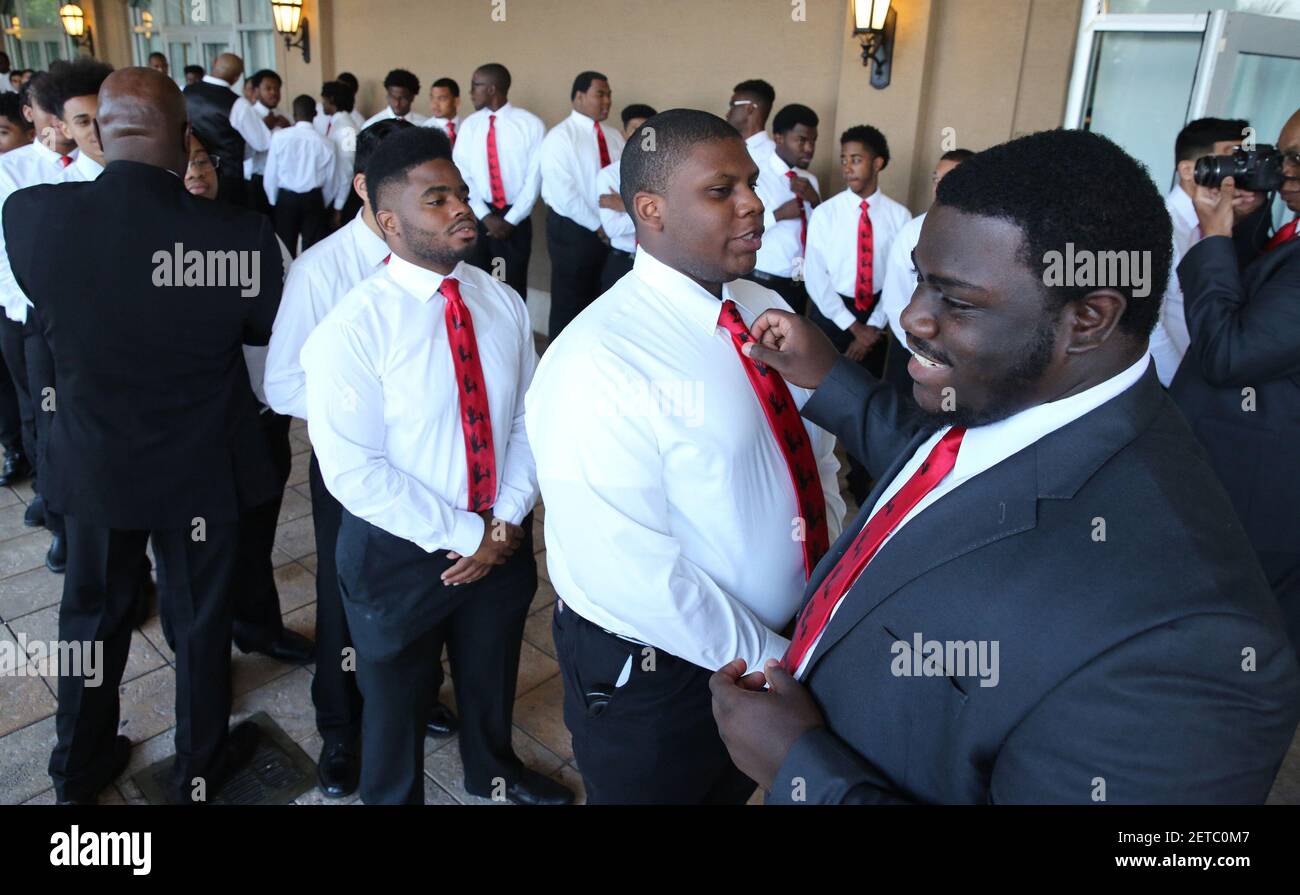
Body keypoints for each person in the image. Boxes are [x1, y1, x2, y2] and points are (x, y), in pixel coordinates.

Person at [708, 128, 1300, 805]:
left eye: (955, 299)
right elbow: (939, 467)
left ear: (1088, 319)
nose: (911, 318)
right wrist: (830, 378)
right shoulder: (1019, 390)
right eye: (921, 282)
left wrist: (805, 770)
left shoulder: (1191, 650)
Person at [526, 109, 845, 804]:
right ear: (651, 210)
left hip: (787, 643)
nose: (753, 202)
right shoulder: (599, 360)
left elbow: (814, 454)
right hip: (662, 675)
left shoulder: (762, 304)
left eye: (752, 183)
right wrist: (770, 657)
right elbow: (630, 568)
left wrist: (825, 585)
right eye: (721, 189)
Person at [5, 67, 284, 805]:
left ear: (97, 131)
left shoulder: (33, 217)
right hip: (199, 466)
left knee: (91, 617)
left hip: (94, 464)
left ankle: (78, 765)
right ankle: (199, 759)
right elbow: (259, 329)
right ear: (185, 138)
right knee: (198, 618)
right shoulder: (239, 236)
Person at [301, 127, 571, 806]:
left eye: (462, 193)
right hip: (400, 552)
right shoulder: (352, 328)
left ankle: (492, 769)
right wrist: (462, 531)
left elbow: (526, 418)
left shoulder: (499, 300)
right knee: (393, 705)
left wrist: (504, 519)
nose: (461, 209)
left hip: (501, 536)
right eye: (437, 198)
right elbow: (354, 469)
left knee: (490, 673)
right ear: (389, 221)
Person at [264, 118, 457, 798]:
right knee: (349, 597)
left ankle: (411, 695)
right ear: (367, 191)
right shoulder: (324, 268)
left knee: (432, 580)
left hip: (436, 460)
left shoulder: (449, 262)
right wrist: (363, 414)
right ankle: (340, 724)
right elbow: (282, 381)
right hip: (354, 463)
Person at [180, 135, 314, 666]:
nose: (196, 171)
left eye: (202, 160)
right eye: (183, 161)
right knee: (198, 546)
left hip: (258, 410)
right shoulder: (147, 239)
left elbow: (286, 313)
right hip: (191, 422)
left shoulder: (252, 229)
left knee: (257, 525)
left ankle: (260, 626)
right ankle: (202, 653)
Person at [1171, 107, 1300, 659]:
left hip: (1259, 494)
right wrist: (1235, 223)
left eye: (1297, 160)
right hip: (1226, 475)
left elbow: (1228, 353)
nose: (1284, 171)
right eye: (1281, 154)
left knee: (1232, 645)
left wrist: (1213, 239)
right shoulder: (1287, 232)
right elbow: (1251, 294)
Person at [0, 71, 77, 559]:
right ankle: (58, 520)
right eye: (77, 117)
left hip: (93, 320)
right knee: (41, 414)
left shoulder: (101, 164)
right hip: (30, 314)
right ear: (44, 117)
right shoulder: (14, 171)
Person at [1150, 117, 1252, 385]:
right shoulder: (1161, 228)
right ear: (1187, 170)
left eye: (1243, 161)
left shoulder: (1215, 224)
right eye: (1230, 160)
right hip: (1171, 383)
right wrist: (1180, 385)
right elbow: (1149, 325)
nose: (1238, 172)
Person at [540, 71, 624, 338]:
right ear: (579, 96)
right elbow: (564, 193)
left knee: (601, 300)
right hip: (573, 230)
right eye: (600, 94)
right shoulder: (560, 137)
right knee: (571, 301)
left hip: (611, 230)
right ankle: (559, 367)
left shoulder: (614, 137)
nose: (607, 101)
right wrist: (598, 225)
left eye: (609, 94)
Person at [452, 63, 543, 300]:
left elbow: (534, 178)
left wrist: (510, 220)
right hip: (479, 218)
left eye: (475, 86)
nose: (471, 92)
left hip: (516, 219)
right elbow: (462, 174)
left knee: (511, 288)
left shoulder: (530, 124)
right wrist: (485, 216)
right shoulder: (470, 126)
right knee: (478, 286)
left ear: (492, 89)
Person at [877, 148, 974, 359]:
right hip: (911, 346)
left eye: (948, 179)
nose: (938, 187)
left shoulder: (984, 236)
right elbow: (895, 296)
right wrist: (915, 347)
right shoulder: (912, 231)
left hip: (958, 356)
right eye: (935, 179)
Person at [746, 103, 822, 316]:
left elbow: (821, 232)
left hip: (799, 279)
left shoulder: (810, 181)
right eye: (802, 140)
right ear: (778, 137)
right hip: (763, 279)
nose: (809, 148)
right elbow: (743, 227)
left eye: (813, 141)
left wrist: (815, 202)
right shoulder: (757, 176)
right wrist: (779, 214)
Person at [183, 53, 270, 207]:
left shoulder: (185, 92)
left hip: (190, 174)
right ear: (237, 77)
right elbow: (262, 143)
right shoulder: (237, 104)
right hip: (228, 179)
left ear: (214, 63)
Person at [263, 94, 339, 256]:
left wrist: (273, 200)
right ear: (315, 114)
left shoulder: (279, 137)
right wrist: (321, 202)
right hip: (313, 199)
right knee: (313, 251)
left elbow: (270, 175)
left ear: (294, 114)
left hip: (286, 199)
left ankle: (285, 280)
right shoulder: (327, 143)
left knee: (284, 248)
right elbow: (332, 181)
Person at [594, 103, 655, 291]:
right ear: (624, 133)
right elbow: (612, 228)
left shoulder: (666, 175)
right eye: (635, 130)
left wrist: (626, 207)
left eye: (647, 131)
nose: (641, 136)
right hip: (622, 262)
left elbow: (673, 220)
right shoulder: (609, 176)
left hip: (655, 266)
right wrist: (649, 213)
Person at [246, 69, 290, 214]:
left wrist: (291, 128)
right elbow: (246, 151)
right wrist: (264, 128)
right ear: (257, 91)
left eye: (277, 89)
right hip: (259, 178)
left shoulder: (285, 115)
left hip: (283, 180)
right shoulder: (250, 116)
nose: (273, 93)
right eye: (268, 88)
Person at [727, 79, 776, 167]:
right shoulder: (730, 147)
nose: (727, 114)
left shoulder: (773, 156)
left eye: (732, 106)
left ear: (749, 108)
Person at [423, 77, 461, 146]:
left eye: (442, 99)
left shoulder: (467, 125)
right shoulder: (425, 130)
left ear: (456, 101)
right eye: (432, 98)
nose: (435, 104)